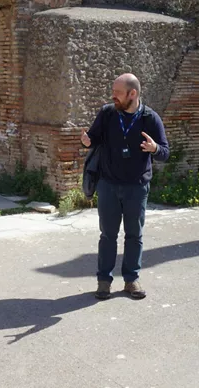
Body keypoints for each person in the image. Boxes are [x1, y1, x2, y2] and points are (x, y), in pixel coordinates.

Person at [80, 73, 170, 300]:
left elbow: (166, 153)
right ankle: (104, 281)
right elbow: (94, 138)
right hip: (108, 185)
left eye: (118, 93)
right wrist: (87, 141)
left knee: (134, 235)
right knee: (107, 235)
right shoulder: (108, 113)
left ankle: (131, 280)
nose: (113, 97)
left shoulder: (150, 118)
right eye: (113, 92)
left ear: (133, 94)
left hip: (136, 188)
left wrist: (154, 149)